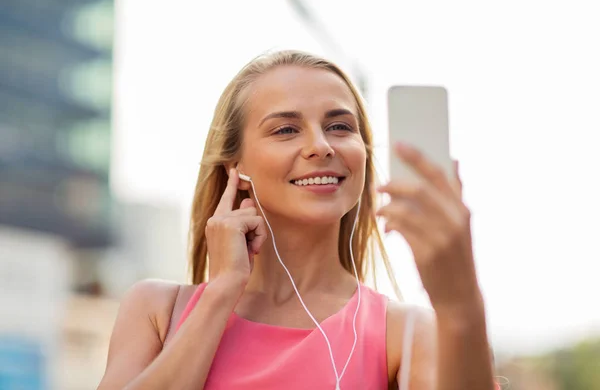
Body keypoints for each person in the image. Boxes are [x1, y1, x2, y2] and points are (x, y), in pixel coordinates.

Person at [98, 50, 496, 390]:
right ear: (235, 165)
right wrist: (221, 292)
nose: (321, 146)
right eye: (286, 129)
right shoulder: (156, 310)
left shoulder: (404, 332)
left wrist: (461, 305)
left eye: (339, 127)